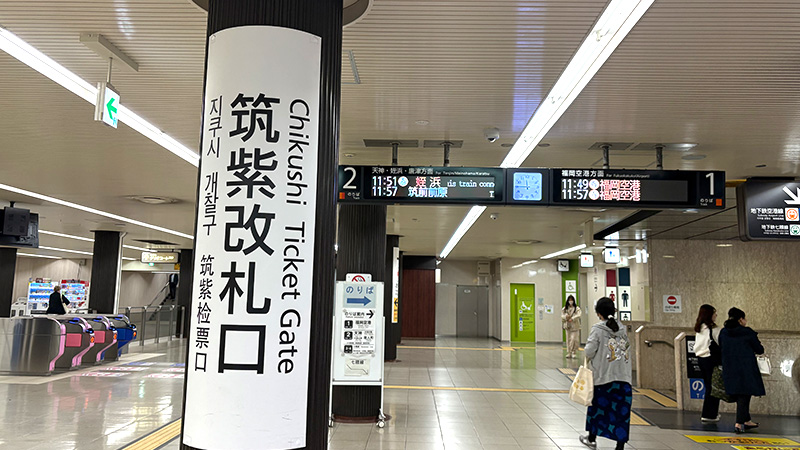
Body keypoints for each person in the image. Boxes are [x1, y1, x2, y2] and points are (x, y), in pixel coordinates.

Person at [579, 297, 633, 450]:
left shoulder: (598, 329)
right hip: (624, 379)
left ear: (598, 313)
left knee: (597, 410)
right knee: (621, 413)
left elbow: (589, 351)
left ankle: (591, 438)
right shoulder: (622, 329)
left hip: (603, 378)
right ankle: (620, 446)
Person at [719, 307, 765, 434]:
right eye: (744, 318)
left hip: (729, 367)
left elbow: (721, 347)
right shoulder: (747, 332)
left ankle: (746, 419)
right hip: (746, 368)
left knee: (741, 393)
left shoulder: (724, 332)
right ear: (740, 319)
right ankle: (739, 423)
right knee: (744, 394)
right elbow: (759, 349)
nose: (746, 321)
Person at [693, 304, 721, 422]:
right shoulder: (713, 329)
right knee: (714, 387)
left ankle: (708, 413)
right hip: (711, 359)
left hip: (701, 359)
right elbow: (720, 342)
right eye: (714, 312)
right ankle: (710, 414)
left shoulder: (699, 328)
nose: (716, 315)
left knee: (708, 386)